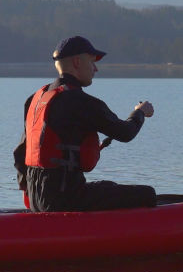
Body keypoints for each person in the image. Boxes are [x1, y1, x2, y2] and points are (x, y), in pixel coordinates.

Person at [13, 35, 156, 212]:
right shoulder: (82, 102)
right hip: (66, 200)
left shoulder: (35, 99)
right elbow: (126, 133)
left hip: (37, 201)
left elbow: (20, 154)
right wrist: (140, 112)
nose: (95, 69)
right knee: (147, 194)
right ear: (77, 62)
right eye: (92, 62)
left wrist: (28, 191)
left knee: (107, 186)